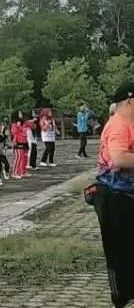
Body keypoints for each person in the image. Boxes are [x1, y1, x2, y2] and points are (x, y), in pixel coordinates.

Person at [92, 82, 134, 308]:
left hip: (125, 195)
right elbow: (118, 158)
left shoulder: (128, 123)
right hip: (115, 197)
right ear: (130, 101)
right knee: (120, 254)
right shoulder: (119, 125)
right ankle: (121, 297)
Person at [10, 110, 29, 179]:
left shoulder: (22, 122)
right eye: (19, 113)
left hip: (24, 141)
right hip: (18, 142)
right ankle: (14, 173)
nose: (21, 114)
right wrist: (18, 127)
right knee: (19, 157)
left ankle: (22, 171)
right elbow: (14, 132)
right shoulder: (14, 124)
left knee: (24, 157)